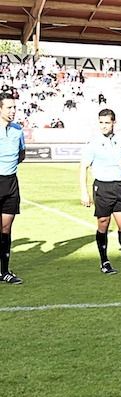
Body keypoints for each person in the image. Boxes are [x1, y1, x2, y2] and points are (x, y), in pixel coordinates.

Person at [80, 109, 121, 274]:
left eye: (107, 122)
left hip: (118, 186)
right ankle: (104, 262)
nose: (103, 126)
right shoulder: (93, 143)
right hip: (102, 187)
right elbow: (83, 167)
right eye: (101, 122)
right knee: (103, 223)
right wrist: (84, 192)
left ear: (114, 123)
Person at [0, 92, 25, 284]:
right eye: (9, 107)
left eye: (14, 107)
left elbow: (21, 155)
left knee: (6, 229)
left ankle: (4, 271)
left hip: (11, 184)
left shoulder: (18, 130)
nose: (13, 111)